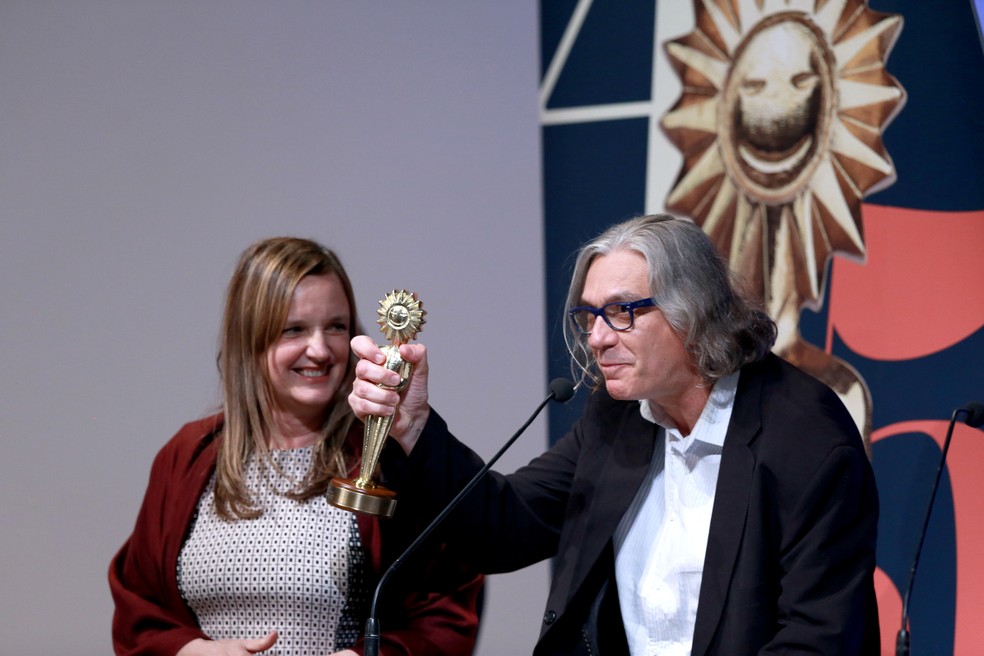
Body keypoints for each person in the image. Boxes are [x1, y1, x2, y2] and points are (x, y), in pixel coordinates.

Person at [348, 214, 880, 655]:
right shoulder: (619, 418)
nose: (598, 338)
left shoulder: (804, 437)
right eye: (588, 317)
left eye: (621, 312)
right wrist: (413, 427)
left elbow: (818, 637)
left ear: (691, 312)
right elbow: (506, 526)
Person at [109, 237, 482, 656]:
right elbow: (139, 612)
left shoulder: (382, 458)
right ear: (249, 339)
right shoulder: (188, 455)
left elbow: (445, 610)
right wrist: (188, 651)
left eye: (337, 327)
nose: (320, 350)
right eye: (294, 330)